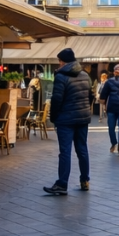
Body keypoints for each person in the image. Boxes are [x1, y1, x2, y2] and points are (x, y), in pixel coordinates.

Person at [44, 48, 94, 195]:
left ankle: (62, 184)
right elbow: (89, 96)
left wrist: (53, 117)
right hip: (82, 118)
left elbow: (57, 99)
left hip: (66, 120)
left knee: (65, 151)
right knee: (82, 149)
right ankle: (85, 180)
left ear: (62, 61)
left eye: (59, 61)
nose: (58, 64)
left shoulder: (61, 76)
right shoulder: (85, 75)